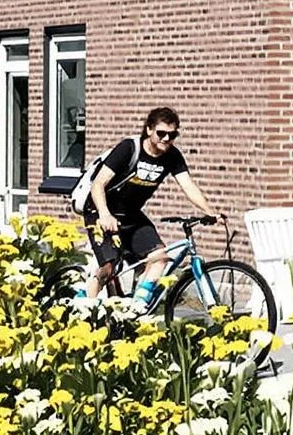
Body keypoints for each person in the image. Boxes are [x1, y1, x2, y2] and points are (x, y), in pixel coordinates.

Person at [84, 106, 215, 301]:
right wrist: (104, 214)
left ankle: (135, 312)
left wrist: (210, 212)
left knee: (160, 258)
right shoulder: (129, 149)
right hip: (100, 210)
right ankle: (86, 312)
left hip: (131, 214)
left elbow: (188, 185)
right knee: (108, 268)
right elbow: (98, 184)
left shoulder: (172, 156)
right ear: (149, 130)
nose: (166, 139)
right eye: (161, 133)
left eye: (172, 135)